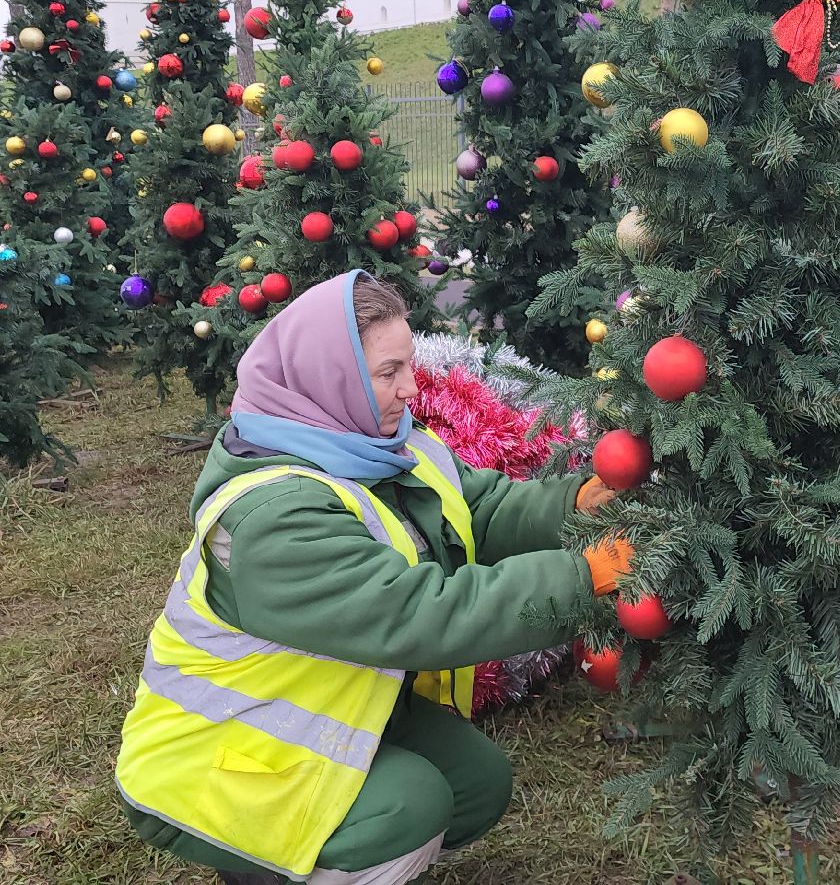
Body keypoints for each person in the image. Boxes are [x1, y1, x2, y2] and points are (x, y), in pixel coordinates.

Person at [115, 270, 629, 884]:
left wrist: (578, 504)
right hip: (217, 753)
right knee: (410, 806)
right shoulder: (274, 514)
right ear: (332, 380)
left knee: (476, 783)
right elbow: (416, 616)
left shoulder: (385, 446)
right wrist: (584, 576)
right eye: (388, 374)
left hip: (312, 707)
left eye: (408, 365)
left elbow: (481, 510)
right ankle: (271, 866)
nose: (412, 388)